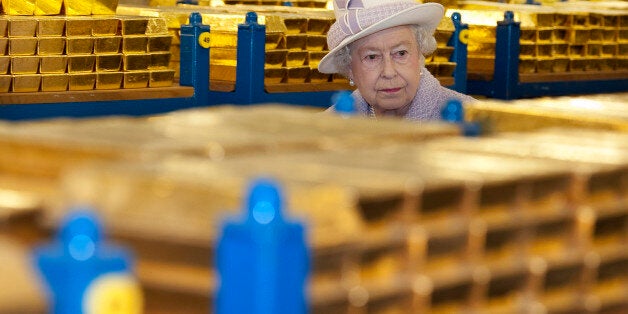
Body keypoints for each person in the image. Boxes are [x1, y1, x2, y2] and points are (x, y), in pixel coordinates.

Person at [318, 0, 475, 120]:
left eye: (401, 53)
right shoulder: (328, 126)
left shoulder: (473, 119)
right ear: (349, 68)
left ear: (420, 54)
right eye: (372, 57)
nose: (389, 72)